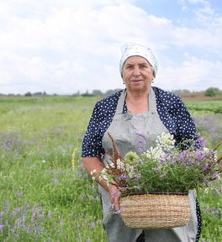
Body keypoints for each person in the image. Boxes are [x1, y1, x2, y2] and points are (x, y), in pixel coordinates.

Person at [81, 43, 202, 241]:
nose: (136, 72)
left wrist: (176, 180)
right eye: (129, 67)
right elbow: (89, 154)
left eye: (143, 66)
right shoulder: (105, 107)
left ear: (153, 72)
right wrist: (112, 186)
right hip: (122, 199)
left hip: (167, 201)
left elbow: (192, 149)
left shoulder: (171, 103)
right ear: (122, 75)